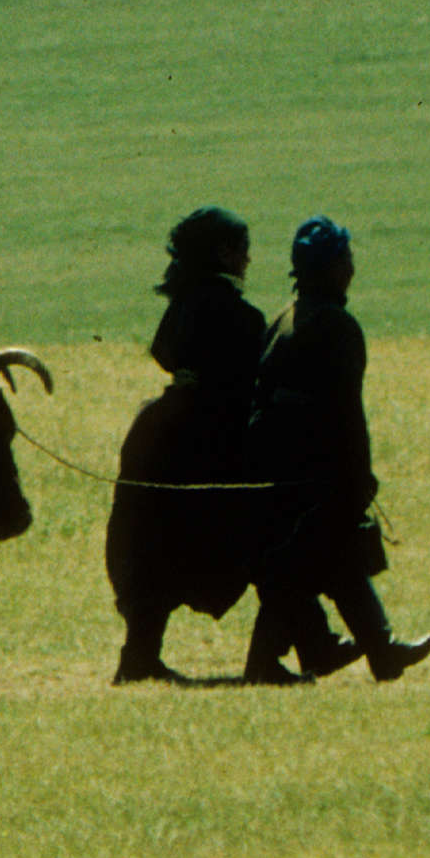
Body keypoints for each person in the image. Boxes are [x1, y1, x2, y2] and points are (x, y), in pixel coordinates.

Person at [250, 215, 428, 684]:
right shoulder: (337, 326)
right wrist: (359, 473)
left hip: (277, 470)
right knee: (307, 565)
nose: (351, 268)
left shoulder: (280, 320)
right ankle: (264, 664)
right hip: (318, 472)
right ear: (331, 268)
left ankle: (380, 650)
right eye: (345, 259)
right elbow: (347, 410)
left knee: (334, 558)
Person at [106, 209, 272, 685]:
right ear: (224, 253)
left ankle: (139, 656)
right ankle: (280, 652)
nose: (248, 258)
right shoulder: (238, 314)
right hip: (213, 437)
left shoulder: (181, 303)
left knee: (154, 547)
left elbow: (163, 351)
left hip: (169, 428)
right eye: (242, 248)